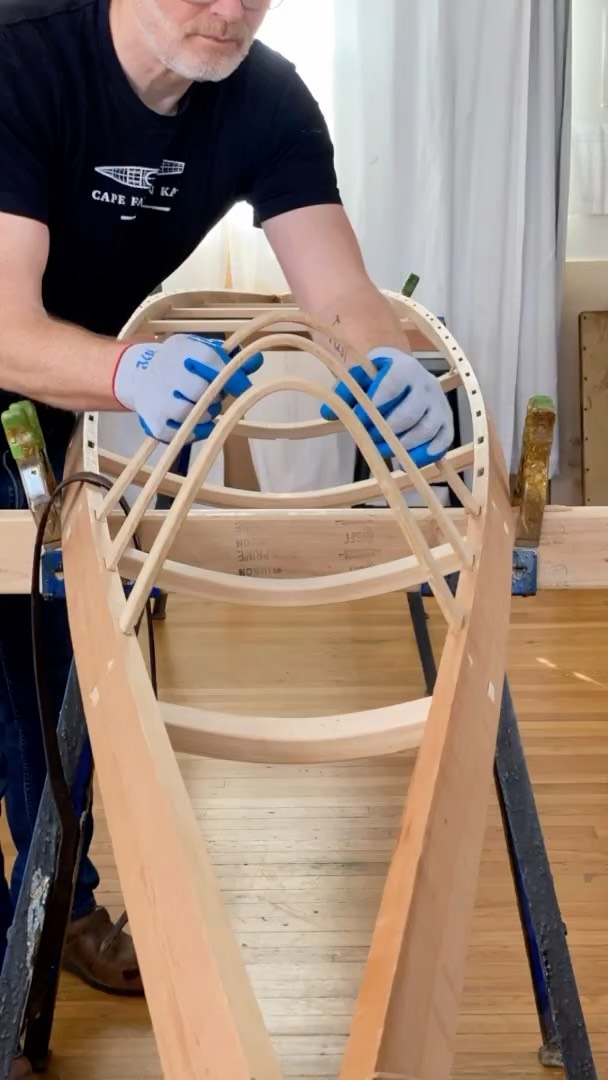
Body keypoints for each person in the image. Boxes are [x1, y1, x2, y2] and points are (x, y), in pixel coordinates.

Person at [0, 0, 454, 1074]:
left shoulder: (266, 97)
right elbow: (6, 327)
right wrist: (128, 372)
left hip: (49, 395)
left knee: (47, 663)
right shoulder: (25, 63)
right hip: (31, 349)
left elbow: (341, 294)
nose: (227, 7)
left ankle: (54, 916)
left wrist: (382, 365)